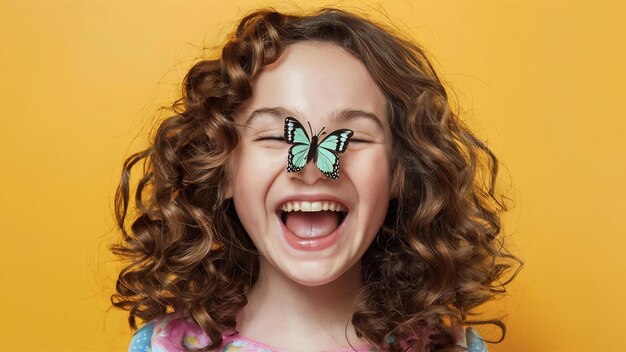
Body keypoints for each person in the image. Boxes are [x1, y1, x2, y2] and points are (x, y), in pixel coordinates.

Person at [112, 7, 521, 352]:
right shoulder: (163, 346)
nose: (310, 168)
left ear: (400, 172)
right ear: (222, 169)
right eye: (276, 135)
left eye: (354, 137)